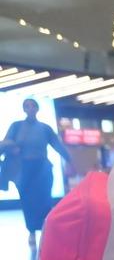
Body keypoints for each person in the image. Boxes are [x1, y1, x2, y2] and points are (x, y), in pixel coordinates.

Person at [0, 98, 71, 247]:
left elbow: (57, 145)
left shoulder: (45, 128)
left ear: (37, 109)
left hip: (42, 168)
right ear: (24, 109)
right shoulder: (17, 126)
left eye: (33, 106)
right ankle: (31, 231)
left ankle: (45, 230)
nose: (30, 108)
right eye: (27, 106)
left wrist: (70, 161)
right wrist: (13, 146)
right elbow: (5, 142)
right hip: (24, 168)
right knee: (27, 201)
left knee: (45, 199)